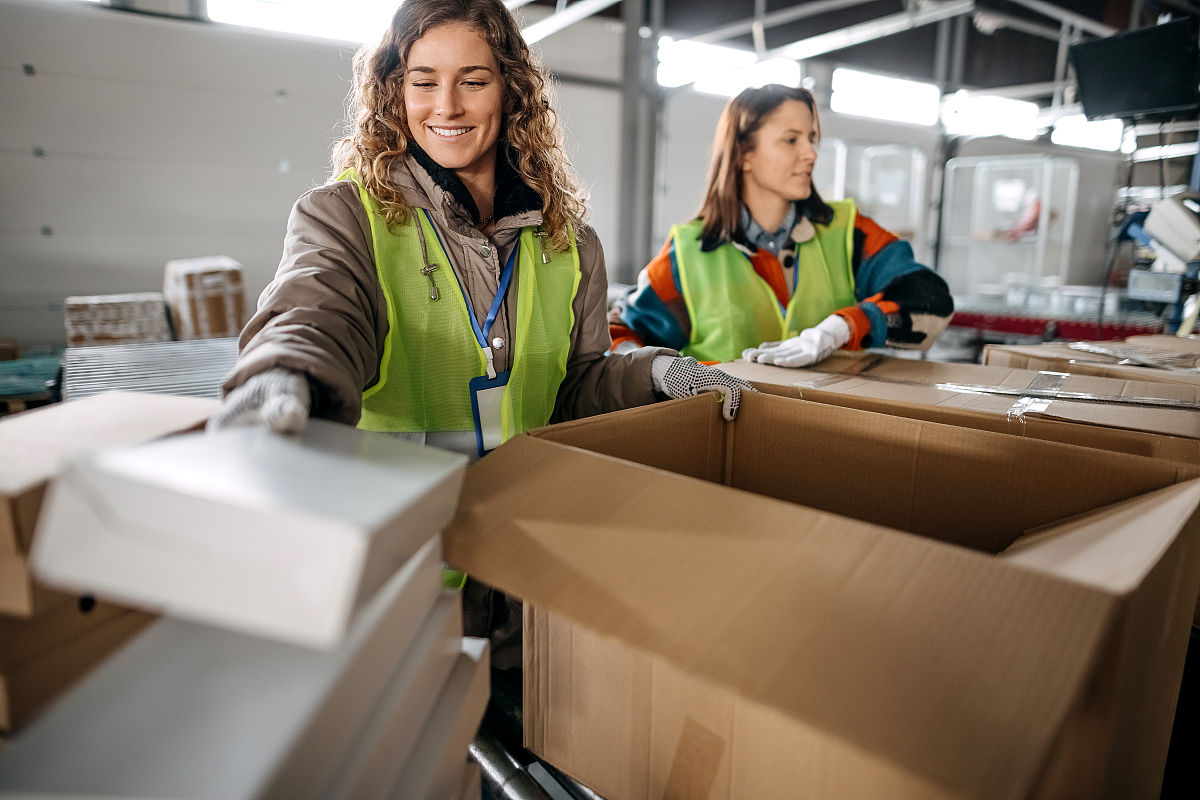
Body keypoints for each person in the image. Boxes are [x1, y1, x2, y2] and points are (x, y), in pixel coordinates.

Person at [206, 0, 750, 668]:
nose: (448, 106)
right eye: (423, 80)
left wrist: (657, 372)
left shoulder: (569, 243)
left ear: (511, 88)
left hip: (531, 576)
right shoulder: (346, 216)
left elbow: (575, 386)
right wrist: (281, 372)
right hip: (405, 584)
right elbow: (316, 311)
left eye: (474, 79)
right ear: (394, 91)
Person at [610, 84, 954, 368]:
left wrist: (842, 327)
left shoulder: (849, 232)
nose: (811, 154)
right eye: (791, 140)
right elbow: (620, 334)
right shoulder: (687, 254)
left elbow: (930, 299)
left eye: (812, 138)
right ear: (744, 153)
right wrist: (660, 370)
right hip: (720, 438)